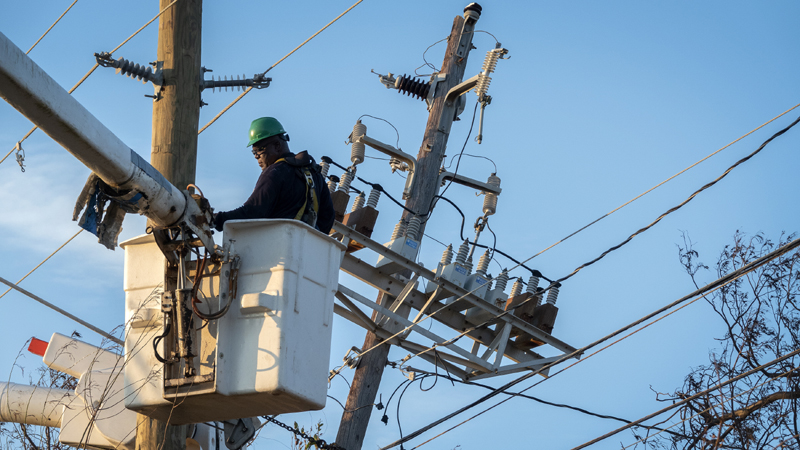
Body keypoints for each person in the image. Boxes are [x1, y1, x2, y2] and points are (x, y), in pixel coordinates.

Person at [213, 117, 335, 234]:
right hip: (309, 250)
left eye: (259, 150)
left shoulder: (275, 172)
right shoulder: (315, 174)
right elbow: (328, 217)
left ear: (277, 145)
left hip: (277, 250)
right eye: (253, 152)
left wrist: (217, 219)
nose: (256, 156)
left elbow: (253, 211)